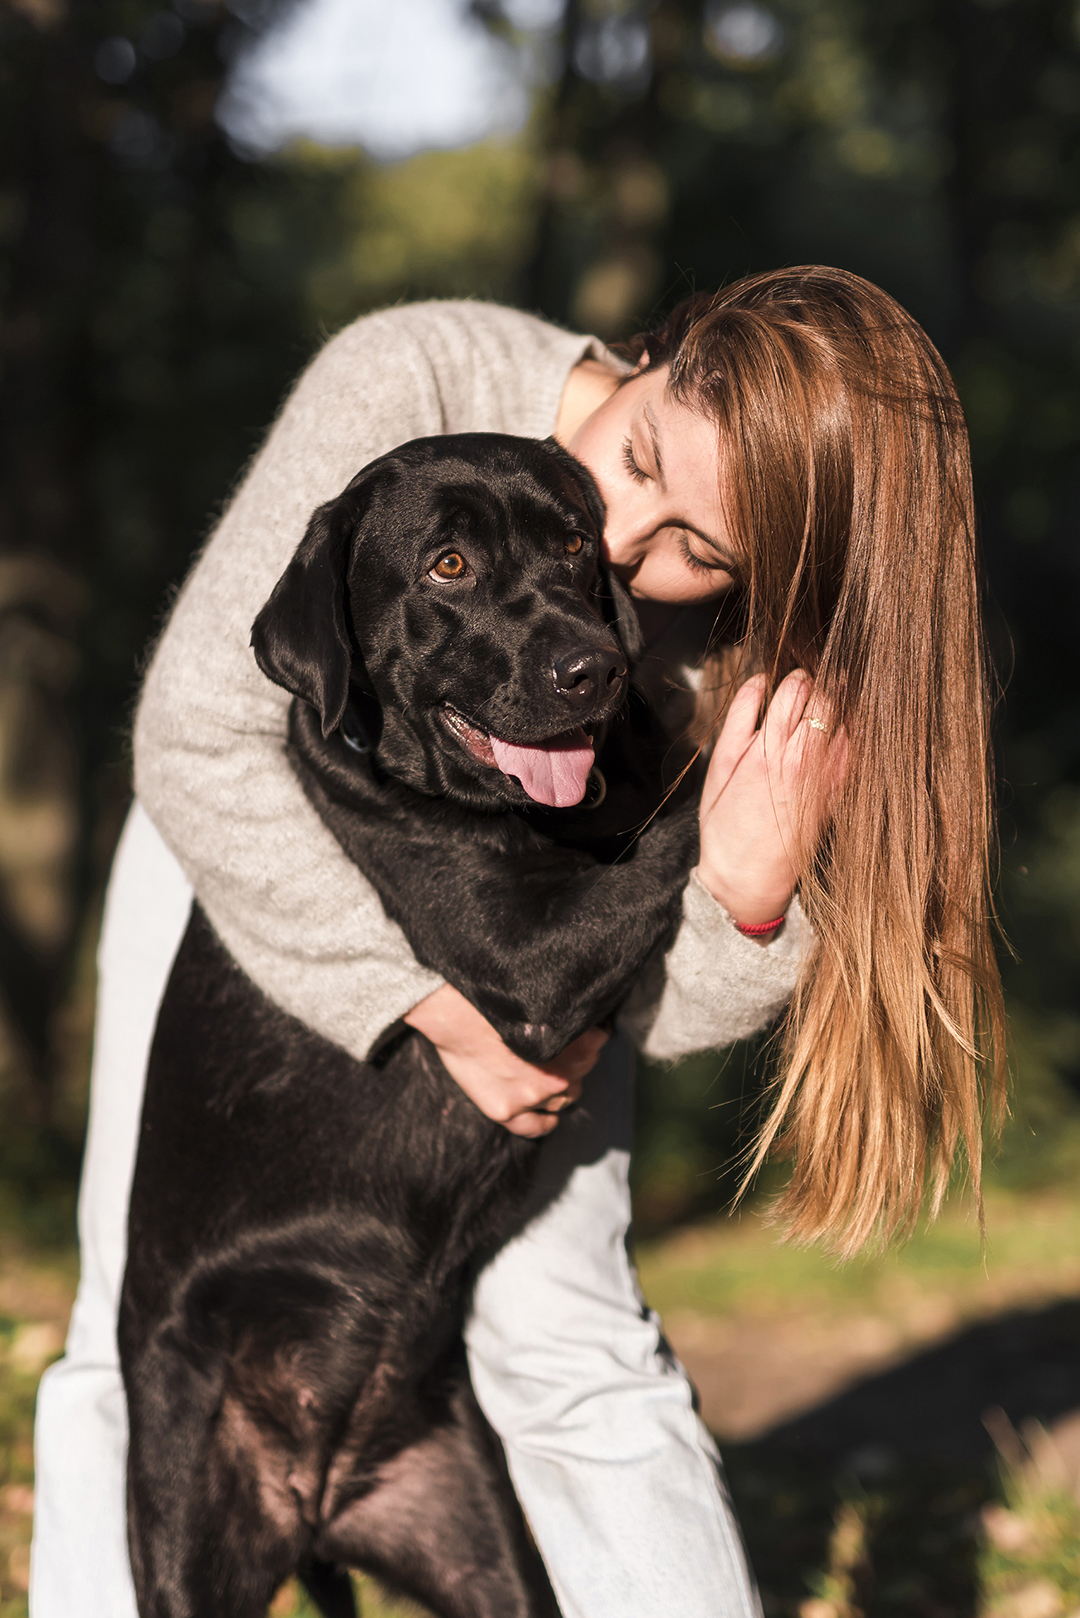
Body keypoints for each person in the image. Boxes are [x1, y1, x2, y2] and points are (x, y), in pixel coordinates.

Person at [30, 266, 1005, 1618]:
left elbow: (662, 1007)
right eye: (641, 457)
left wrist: (755, 893)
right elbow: (197, 731)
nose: (611, 540)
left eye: (696, 551)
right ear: (654, 353)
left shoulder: (744, 662)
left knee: (575, 1330)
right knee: (129, 1328)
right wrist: (423, 1006)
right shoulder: (417, 369)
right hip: (236, 821)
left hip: (557, 946)